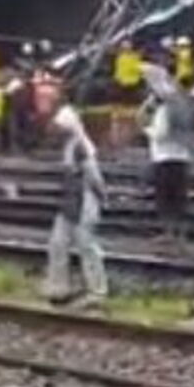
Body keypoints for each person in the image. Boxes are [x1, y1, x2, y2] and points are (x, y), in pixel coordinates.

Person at [44, 103, 108, 307]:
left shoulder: (80, 148)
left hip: (83, 202)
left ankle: (97, 291)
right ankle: (58, 287)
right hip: (68, 203)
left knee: (87, 246)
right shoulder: (68, 147)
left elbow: (94, 177)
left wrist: (102, 197)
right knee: (57, 244)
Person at [138, 66, 194, 240]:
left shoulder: (164, 110)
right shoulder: (183, 107)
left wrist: (146, 130)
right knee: (179, 198)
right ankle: (180, 232)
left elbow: (160, 133)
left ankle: (169, 233)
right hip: (182, 157)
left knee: (165, 199)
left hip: (164, 158)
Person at [112, 39, 143, 105]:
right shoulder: (120, 57)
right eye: (124, 48)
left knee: (132, 98)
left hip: (134, 81)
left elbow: (138, 67)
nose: (126, 49)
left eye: (127, 47)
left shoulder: (135, 56)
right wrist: (119, 79)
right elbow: (119, 69)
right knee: (124, 98)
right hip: (124, 81)